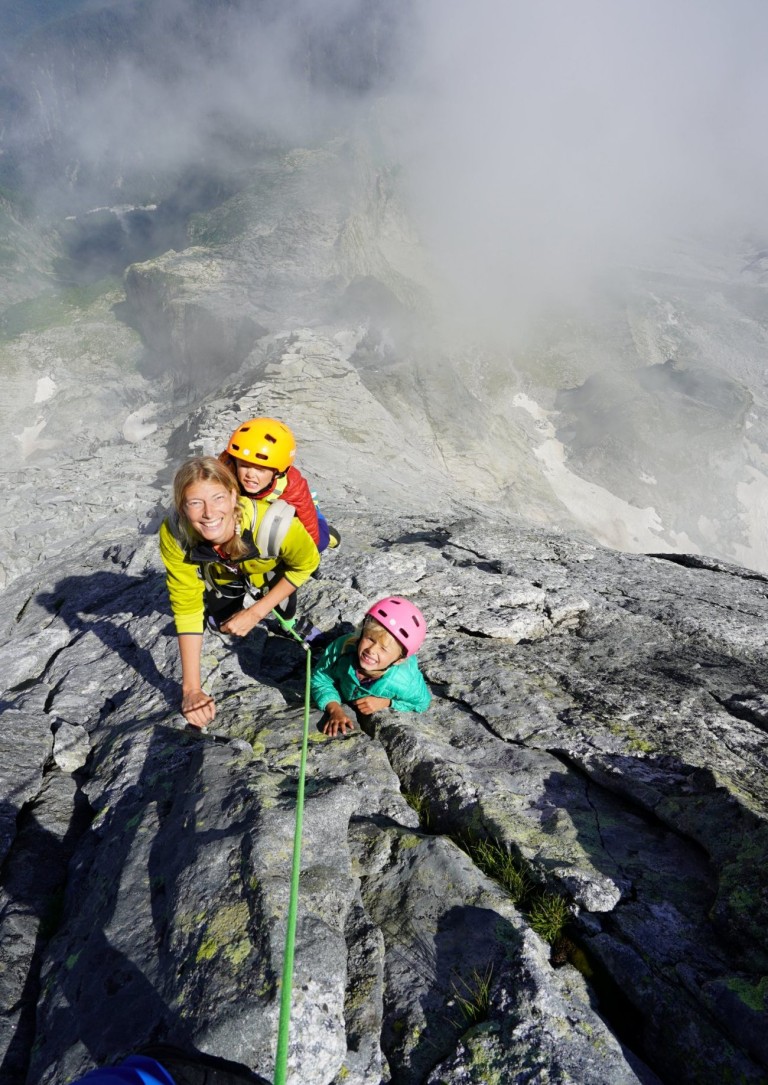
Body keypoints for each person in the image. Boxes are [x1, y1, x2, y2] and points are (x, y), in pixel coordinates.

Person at [159, 456, 320, 729]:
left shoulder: (274, 524)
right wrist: (191, 691)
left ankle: (292, 623)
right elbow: (186, 607)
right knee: (222, 622)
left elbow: (307, 564)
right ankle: (230, 605)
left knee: (284, 609)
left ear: (234, 496)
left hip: (268, 567)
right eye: (195, 503)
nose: (209, 513)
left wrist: (256, 612)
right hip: (222, 574)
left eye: (218, 498)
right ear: (182, 507)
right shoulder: (175, 534)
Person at [311, 597, 431, 737]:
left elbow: (422, 702)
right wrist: (334, 708)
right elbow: (320, 677)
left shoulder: (403, 682)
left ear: (399, 660)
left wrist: (386, 702)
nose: (371, 650)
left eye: (384, 649)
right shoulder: (343, 647)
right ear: (362, 633)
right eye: (370, 638)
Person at [220, 416, 339, 553]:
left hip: (292, 507)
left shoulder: (293, 487)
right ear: (234, 462)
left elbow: (313, 541)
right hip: (256, 513)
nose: (250, 475)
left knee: (321, 542)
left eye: (260, 469)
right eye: (244, 466)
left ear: (278, 471)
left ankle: (324, 524)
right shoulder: (224, 471)